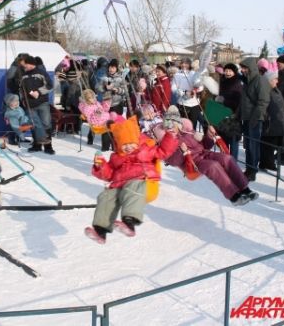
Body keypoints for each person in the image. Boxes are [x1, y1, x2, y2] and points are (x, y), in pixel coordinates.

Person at [84, 115, 179, 244]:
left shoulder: (146, 149)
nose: (128, 147)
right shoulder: (116, 157)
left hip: (142, 180)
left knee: (133, 187)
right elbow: (109, 174)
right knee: (106, 196)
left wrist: (170, 136)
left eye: (130, 144)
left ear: (136, 140)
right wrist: (100, 166)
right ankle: (100, 231)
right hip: (119, 185)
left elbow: (164, 151)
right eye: (124, 145)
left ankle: (129, 224)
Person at [161, 106, 259, 206]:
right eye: (170, 125)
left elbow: (205, 145)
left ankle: (245, 189)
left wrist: (209, 136)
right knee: (213, 166)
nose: (173, 127)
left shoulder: (189, 132)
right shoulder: (167, 141)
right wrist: (182, 151)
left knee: (227, 158)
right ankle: (234, 196)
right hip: (193, 162)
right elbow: (172, 161)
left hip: (205, 153)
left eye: (175, 123)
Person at [239, 58, 270, 181]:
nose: (242, 70)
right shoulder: (247, 81)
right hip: (246, 117)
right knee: (248, 145)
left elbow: (263, 101)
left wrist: (255, 118)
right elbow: (244, 100)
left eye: (244, 68)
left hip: (255, 119)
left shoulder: (260, 80)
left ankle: (252, 170)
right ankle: (248, 168)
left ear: (250, 68)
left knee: (253, 145)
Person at [20, 55, 55, 154]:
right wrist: (23, 100)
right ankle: (37, 145)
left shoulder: (41, 73)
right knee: (34, 125)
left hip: (42, 103)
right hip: (30, 105)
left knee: (46, 124)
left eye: (25, 64)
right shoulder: (23, 75)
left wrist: (38, 92)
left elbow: (50, 85)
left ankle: (48, 147)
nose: (24, 66)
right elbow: (21, 90)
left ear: (30, 64)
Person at [259, 71, 284, 171]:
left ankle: (267, 162)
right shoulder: (265, 90)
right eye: (275, 79)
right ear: (269, 80)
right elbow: (262, 105)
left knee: (273, 144)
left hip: (277, 121)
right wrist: (266, 116)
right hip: (270, 122)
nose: (277, 81)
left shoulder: (275, 90)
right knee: (267, 144)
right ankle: (266, 163)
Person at [216, 63, 242, 159]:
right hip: (223, 114)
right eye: (226, 70)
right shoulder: (222, 81)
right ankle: (225, 159)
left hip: (233, 115)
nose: (227, 73)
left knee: (233, 140)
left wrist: (224, 100)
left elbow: (238, 100)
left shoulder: (237, 83)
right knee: (224, 139)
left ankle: (233, 161)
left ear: (234, 72)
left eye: (230, 71)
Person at [172, 58, 204, 131]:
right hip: (181, 103)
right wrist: (184, 92)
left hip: (194, 104)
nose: (184, 65)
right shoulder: (177, 74)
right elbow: (173, 88)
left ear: (190, 65)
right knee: (182, 124)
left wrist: (195, 90)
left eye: (186, 63)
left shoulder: (194, 73)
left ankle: (192, 140)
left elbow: (201, 86)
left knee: (192, 125)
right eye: (182, 63)